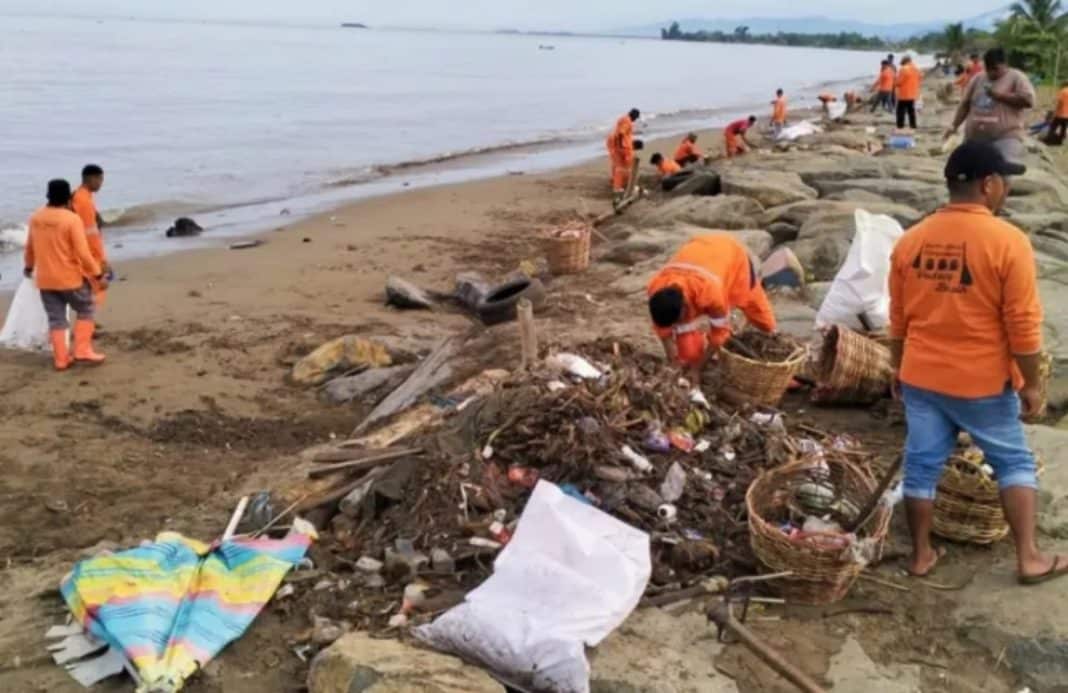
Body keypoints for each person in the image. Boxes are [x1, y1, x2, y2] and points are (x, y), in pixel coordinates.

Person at [889, 140, 1067, 584]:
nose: (1006, 187)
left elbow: (897, 320)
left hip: (922, 375)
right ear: (988, 185)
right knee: (1013, 462)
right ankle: (1028, 558)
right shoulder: (1008, 241)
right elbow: (1023, 325)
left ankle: (921, 556)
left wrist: (898, 369)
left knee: (922, 464)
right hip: (982, 382)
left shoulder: (911, 240)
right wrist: (1031, 384)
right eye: (1004, 180)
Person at [647, 234, 776, 384]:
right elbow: (662, 328)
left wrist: (697, 369)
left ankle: (759, 288)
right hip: (701, 248)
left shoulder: (710, 294)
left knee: (767, 324)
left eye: (676, 322)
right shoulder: (656, 288)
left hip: (734, 260)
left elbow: (720, 333)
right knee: (688, 355)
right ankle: (693, 353)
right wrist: (672, 360)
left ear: (683, 309)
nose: (675, 326)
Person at [23, 179, 107, 370]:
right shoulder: (71, 219)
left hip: (45, 280)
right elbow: (83, 252)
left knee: (56, 318)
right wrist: (97, 274)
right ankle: (82, 350)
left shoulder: (36, 217)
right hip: (70, 278)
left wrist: (28, 267)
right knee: (86, 309)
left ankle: (61, 359)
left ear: (48, 196)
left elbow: (30, 248)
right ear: (68, 198)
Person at [946, 47, 1036, 164]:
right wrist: (954, 126)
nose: (991, 72)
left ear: (1005, 64)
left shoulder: (1017, 77)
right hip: (974, 139)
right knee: (966, 172)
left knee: (1000, 172)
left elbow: (1028, 100)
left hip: (1005, 138)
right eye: (988, 69)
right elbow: (965, 104)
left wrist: (999, 96)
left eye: (995, 69)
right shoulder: (978, 78)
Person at [71, 164, 108, 309]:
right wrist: (101, 260)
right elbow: (90, 234)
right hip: (87, 256)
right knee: (93, 293)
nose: (101, 183)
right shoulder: (83, 201)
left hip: (80, 253)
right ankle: (86, 326)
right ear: (90, 178)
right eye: (99, 179)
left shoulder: (78, 195)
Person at [606, 108, 640, 202]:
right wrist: (621, 146)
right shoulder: (627, 121)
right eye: (636, 118)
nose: (635, 120)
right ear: (633, 115)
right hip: (621, 147)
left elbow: (621, 133)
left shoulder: (623, 119)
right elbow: (621, 133)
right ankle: (619, 188)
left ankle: (616, 183)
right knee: (623, 167)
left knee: (617, 165)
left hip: (618, 145)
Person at [895, 56, 922, 130]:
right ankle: (913, 126)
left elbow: (899, 82)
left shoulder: (903, 69)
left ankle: (900, 126)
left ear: (904, 62)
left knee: (900, 111)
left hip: (904, 94)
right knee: (911, 111)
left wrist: (895, 82)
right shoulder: (916, 69)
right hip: (913, 94)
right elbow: (920, 78)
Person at [1050, 81, 1068, 145]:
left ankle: (1050, 140)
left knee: (1053, 127)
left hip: (1060, 113)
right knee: (1063, 128)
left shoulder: (1063, 91)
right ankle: (1060, 142)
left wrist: (1054, 112)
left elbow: (1059, 102)